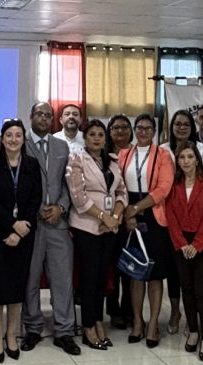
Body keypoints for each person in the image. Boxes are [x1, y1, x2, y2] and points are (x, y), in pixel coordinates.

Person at [20, 102, 80, 355]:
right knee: (30, 279)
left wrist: (61, 207)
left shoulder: (61, 146)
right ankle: (33, 327)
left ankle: (64, 331)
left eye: (48, 115)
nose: (44, 118)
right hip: (30, 225)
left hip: (58, 223)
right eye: (39, 114)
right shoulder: (20, 142)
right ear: (31, 116)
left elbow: (69, 183)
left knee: (62, 280)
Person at [0, 119, 42, 362]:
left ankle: (12, 335)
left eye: (18, 135)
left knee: (16, 288)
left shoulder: (32, 164)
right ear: (2, 139)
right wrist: (11, 225)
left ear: (23, 139)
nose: (13, 139)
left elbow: (35, 198)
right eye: (9, 135)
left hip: (23, 234)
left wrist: (20, 230)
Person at [67, 118, 127, 350]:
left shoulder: (112, 161)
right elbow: (78, 196)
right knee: (90, 278)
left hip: (110, 227)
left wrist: (116, 216)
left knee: (103, 277)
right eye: (92, 134)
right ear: (85, 137)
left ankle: (98, 321)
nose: (97, 138)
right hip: (87, 226)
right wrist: (104, 217)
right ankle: (88, 326)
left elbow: (121, 191)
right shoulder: (77, 159)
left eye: (100, 135)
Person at [118, 114, 174, 346]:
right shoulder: (124, 154)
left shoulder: (163, 155)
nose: (143, 132)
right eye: (139, 128)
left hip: (153, 214)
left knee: (155, 274)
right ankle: (138, 322)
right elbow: (119, 186)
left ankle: (152, 324)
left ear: (154, 131)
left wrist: (136, 208)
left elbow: (163, 188)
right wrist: (127, 212)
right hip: (128, 212)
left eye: (148, 128)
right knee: (136, 272)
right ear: (134, 130)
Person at [166, 141, 203, 360]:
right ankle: (193, 331)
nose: (186, 161)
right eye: (181, 157)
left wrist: (196, 245)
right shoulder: (174, 184)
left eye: (189, 157)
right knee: (186, 289)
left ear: (197, 159)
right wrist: (182, 244)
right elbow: (170, 215)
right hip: (180, 242)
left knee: (202, 291)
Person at [105, 113, 134, 329]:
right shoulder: (103, 154)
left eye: (124, 127)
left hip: (132, 214)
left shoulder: (136, 152)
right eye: (115, 127)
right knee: (112, 267)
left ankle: (129, 311)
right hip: (108, 216)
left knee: (129, 267)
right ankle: (114, 310)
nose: (120, 131)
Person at [161, 110, 203, 176]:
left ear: (192, 127)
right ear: (172, 126)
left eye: (186, 125)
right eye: (178, 124)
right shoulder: (162, 149)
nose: (182, 127)